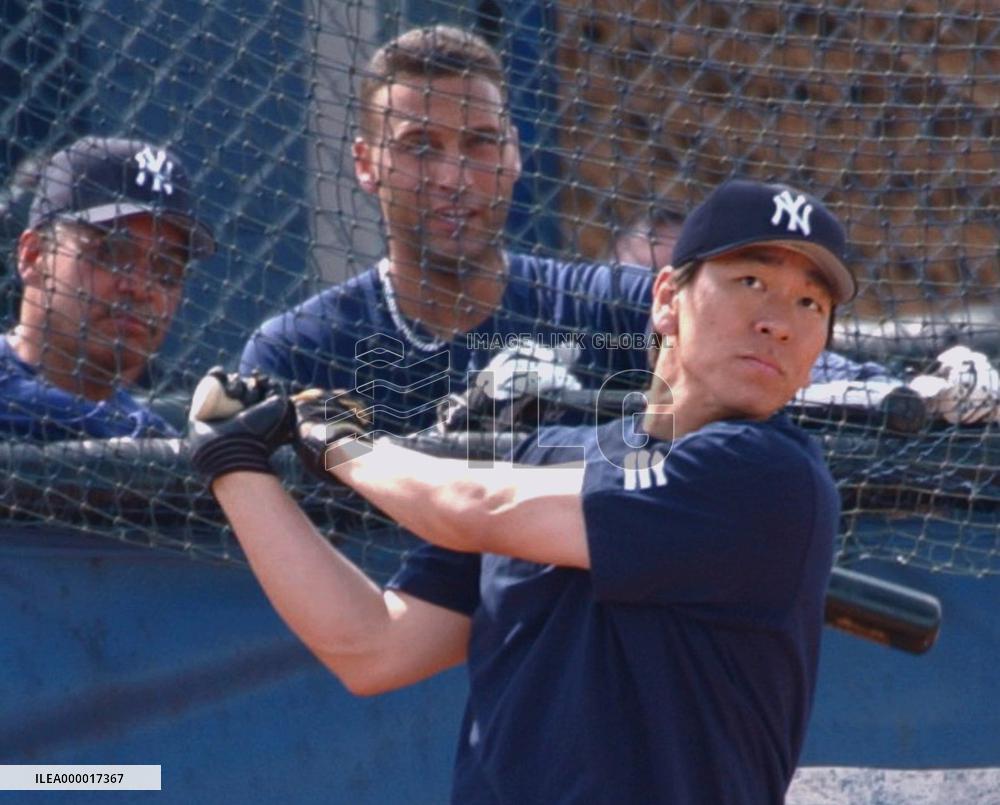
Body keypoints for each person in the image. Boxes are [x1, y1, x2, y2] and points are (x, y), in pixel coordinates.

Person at [189, 178, 855, 803]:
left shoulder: (770, 476)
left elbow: (475, 505)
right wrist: (235, 463)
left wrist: (342, 443)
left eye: (811, 302)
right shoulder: (550, 454)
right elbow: (372, 647)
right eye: (750, 281)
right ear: (665, 299)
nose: (781, 321)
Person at [239, 25, 653, 434]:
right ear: (365, 164)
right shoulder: (300, 353)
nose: (453, 178)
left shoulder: (615, 311)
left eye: (480, 142)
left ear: (514, 153)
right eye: (419, 146)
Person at [1, 136, 214, 440]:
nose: (140, 287)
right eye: (111, 254)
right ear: (33, 256)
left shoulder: (154, 445)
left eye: (166, 270)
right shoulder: (145, 436)